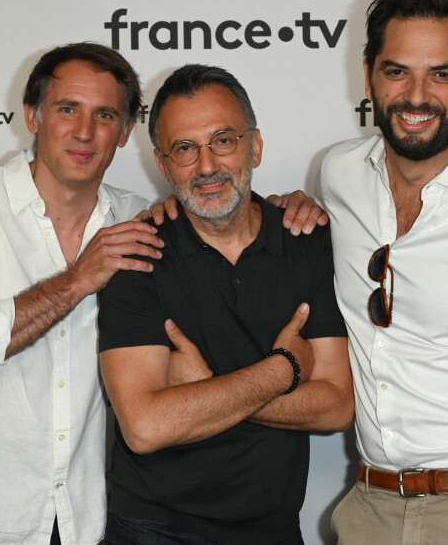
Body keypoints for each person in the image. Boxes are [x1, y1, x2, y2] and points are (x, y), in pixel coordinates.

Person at [0, 43, 166, 545]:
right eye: (68, 109)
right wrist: (79, 279)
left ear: (126, 132)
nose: (84, 132)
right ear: (33, 116)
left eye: (105, 115)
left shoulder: (140, 220)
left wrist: (284, 209)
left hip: (77, 519)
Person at [97, 64, 353, 545]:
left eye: (223, 141)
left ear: (254, 145)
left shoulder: (309, 241)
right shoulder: (137, 255)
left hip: (273, 529)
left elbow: (336, 405)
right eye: (185, 149)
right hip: (152, 528)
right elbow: (146, 426)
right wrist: (282, 371)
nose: (207, 166)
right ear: (163, 163)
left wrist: (207, 390)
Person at [273, 0, 448, 545]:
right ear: (368, 75)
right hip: (369, 509)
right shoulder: (338, 172)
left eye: (442, 74)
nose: (418, 96)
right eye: (398, 71)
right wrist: (290, 208)